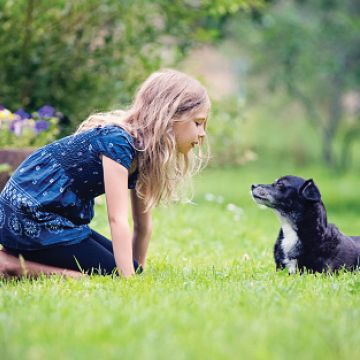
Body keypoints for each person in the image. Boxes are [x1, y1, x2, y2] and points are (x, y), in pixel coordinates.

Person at [0, 69, 210, 278]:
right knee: (108, 275)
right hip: (31, 213)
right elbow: (117, 218)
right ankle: (12, 265)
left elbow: (142, 226)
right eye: (198, 123)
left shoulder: (146, 153)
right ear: (169, 116)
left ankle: (20, 253)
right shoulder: (118, 143)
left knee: (125, 268)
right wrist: (127, 279)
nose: (202, 134)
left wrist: (136, 273)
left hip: (58, 220)